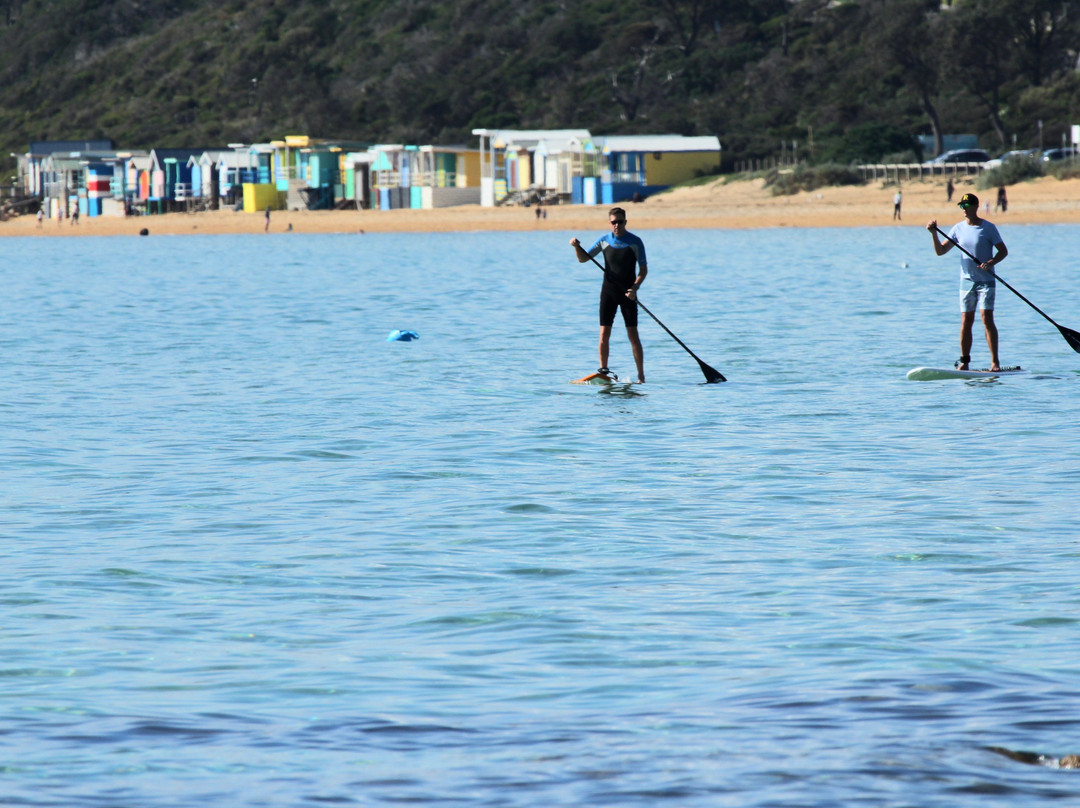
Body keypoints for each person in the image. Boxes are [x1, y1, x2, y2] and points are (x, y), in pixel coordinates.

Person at [927, 192, 1009, 371]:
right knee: (966, 320)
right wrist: (933, 233)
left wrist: (991, 263)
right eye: (961, 206)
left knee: (986, 318)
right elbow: (940, 251)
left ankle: (995, 363)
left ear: (975, 207)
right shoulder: (957, 229)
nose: (963, 209)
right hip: (966, 281)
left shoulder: (988, 228)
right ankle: (964, 361)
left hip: (986, 281)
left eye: (966, 206)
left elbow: (1003, 251)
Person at [569, 207, 648, 383]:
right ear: (609, 223)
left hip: (628, 294)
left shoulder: (635, 242)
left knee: (633, 335)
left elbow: (643, 270)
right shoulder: (604, 241)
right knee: (604, 333)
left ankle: (641, 376)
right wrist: (576, 247)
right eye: (614, 222)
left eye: (620, 222)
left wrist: (635, 288)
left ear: (625, 222)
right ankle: (603, 370)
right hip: (609, 292)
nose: (617, 225)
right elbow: (583, 258)